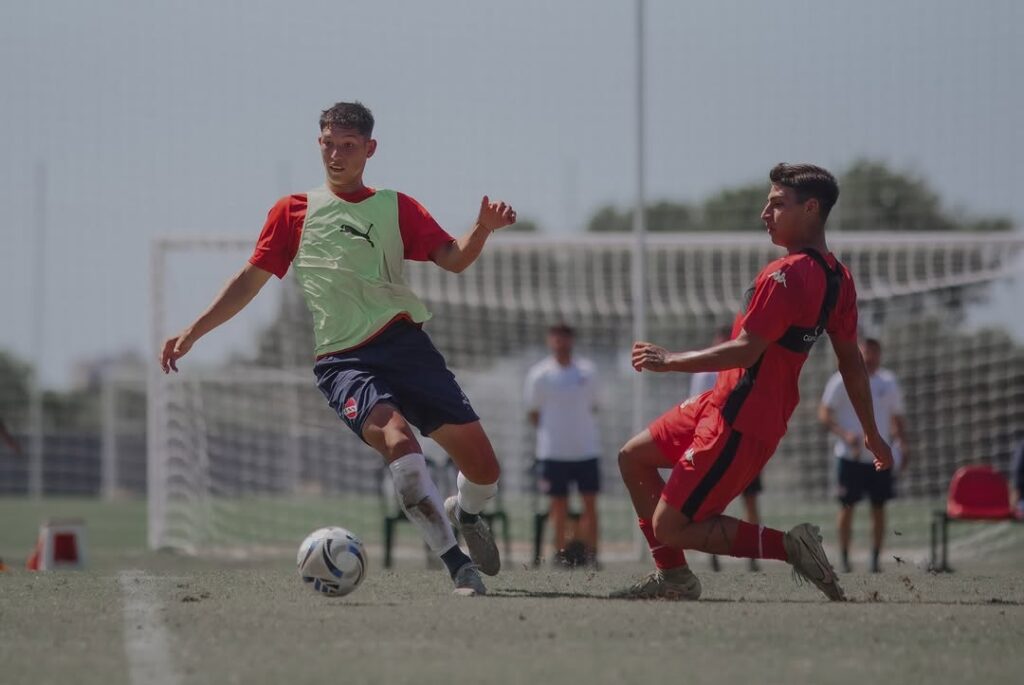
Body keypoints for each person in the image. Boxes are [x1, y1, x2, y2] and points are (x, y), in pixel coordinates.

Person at [160, 102, 517, 596]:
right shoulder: (291, 212)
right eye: (328, 143)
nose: (336, 154)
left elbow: (453, 259)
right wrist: (194, 330)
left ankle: (467, 511)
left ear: (369, 150)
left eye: (348, 146)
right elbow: (249, 280)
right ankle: (457, 565)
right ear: (318, 143)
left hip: (405, 346)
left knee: (484, 469)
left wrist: (481, 229)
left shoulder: (397, 206)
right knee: (397, 442)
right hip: (343, 361)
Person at [614, 163, 893, 602]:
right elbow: (852, 364)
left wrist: (670, 360)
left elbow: (746, 350)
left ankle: (790, 546)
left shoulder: (786, 275)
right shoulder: (840, 280)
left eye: (778, 204)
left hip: (741, 419)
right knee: (633, 458)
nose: (766, 213)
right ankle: (675, 578)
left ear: (812, 208)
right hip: (723, 404)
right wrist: (871, 433)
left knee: (672, 526)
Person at [819, 338, 909, 573]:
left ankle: (875, 560)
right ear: (859, 353)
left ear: (880, 355)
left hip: (879, 457)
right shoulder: (841, 379)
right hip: (850, 456)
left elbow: (896, 417)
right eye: (866, 352)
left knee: (879, 508)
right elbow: (824, 413)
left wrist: (902, 443)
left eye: (874, 352)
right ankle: (845, 559)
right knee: (847, 506)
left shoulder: (888, 382)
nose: (870, 357)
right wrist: (844, 435)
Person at [525, 323, 602, 567]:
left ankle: (592, 554)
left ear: (571, 341)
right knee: (558, 505)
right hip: (553, 451)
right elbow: (533, 412)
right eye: (555, 338)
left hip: (585, 450)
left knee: (589, 503)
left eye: (564, 338)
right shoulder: (539, 374)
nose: (560, 343)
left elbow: (596, 405)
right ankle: (559, 553)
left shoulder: (587, 372)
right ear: (550, 341)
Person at [690, 325, 763, 573]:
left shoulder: (746, 368)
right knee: (711, 503)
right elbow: (697, 410)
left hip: (743, 442)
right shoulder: (703, 374)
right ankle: (712, 553)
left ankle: (754, 552)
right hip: (714, 445)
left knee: (751, 499)